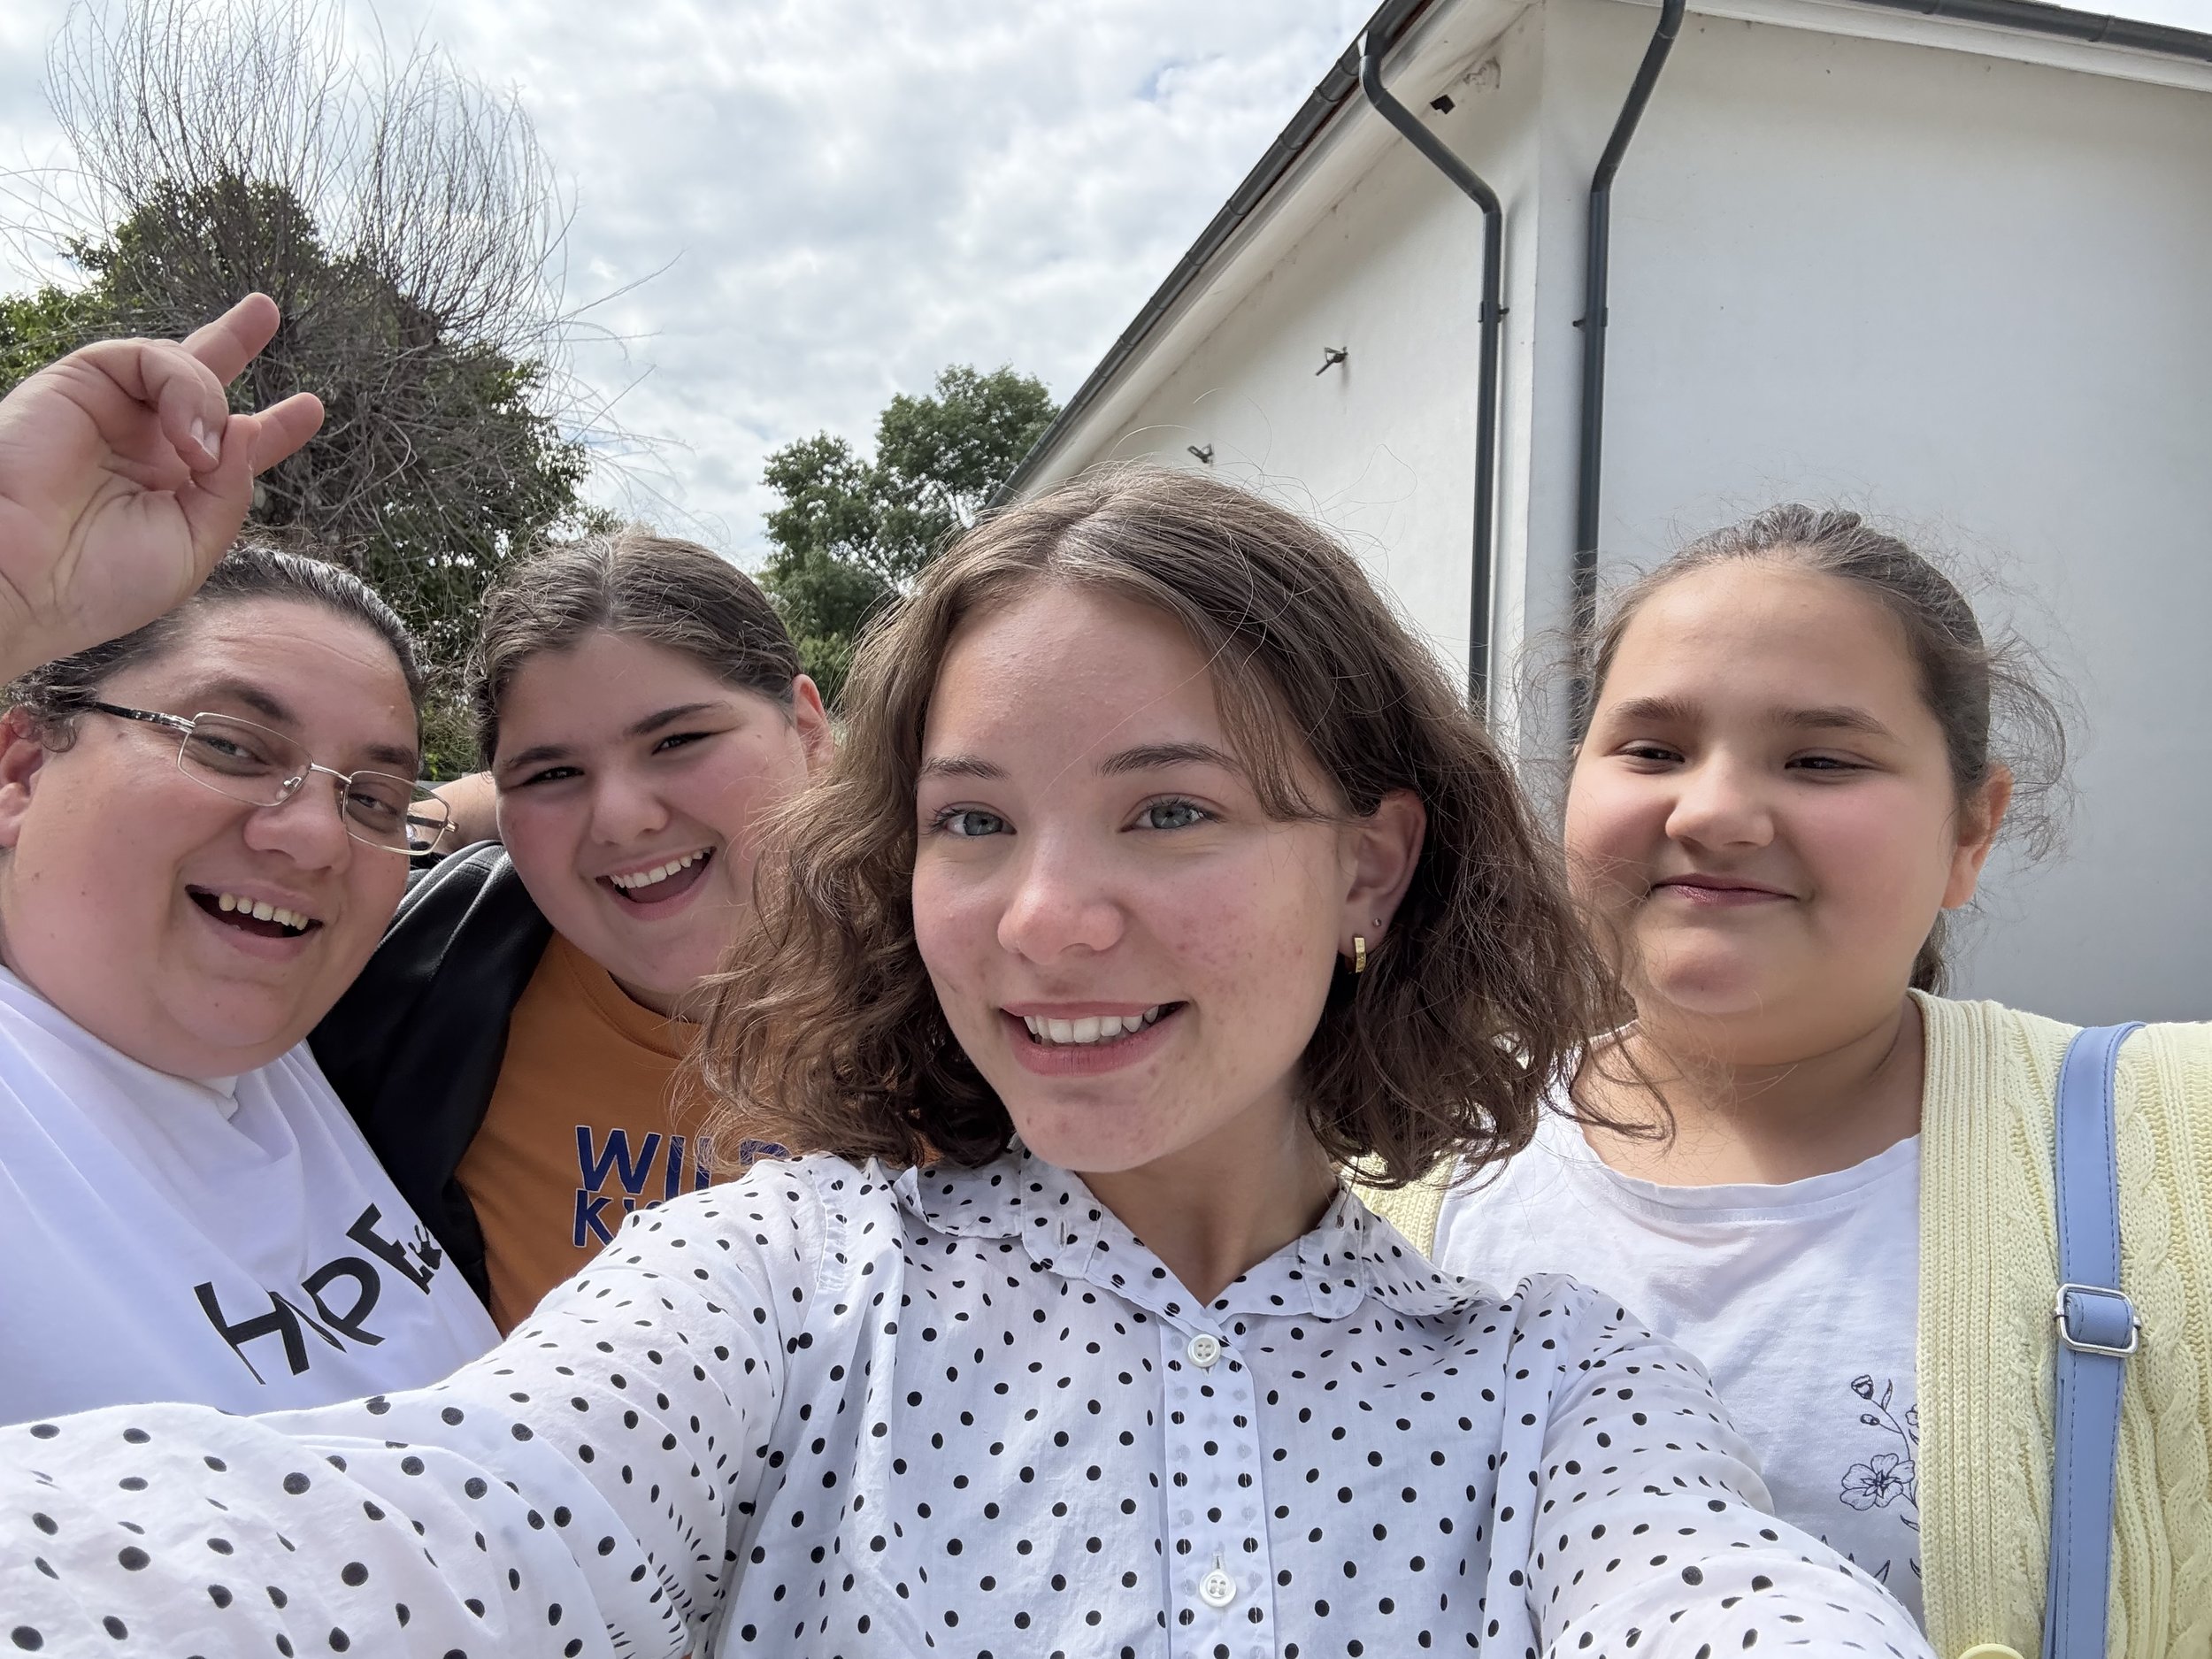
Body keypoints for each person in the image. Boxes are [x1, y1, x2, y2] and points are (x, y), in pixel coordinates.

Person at [0, 470, 1931, 1657]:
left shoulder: (1554, 1392)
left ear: (1369, 857)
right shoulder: (777, 1282)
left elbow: (1718, 1597)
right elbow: (417, 1521)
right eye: (974, 821)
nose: (1042, 920)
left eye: (1167, 814)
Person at [1386, 507, 2212, 1658]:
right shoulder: (1396, 1166)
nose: (1712, 809)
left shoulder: (2174, 1147)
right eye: (1653, 749)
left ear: (1973, 827)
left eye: (1821, 757)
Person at [0, 296, 499, 1421]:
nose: (317, 832)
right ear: (23, 772)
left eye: (368, 794)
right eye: (229, 745)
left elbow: (452, 809)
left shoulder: (294, 1041)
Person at [311, 534, 828, 1332]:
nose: (621, 818)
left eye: (678, 741)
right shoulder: (419, 982)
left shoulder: (972, 994)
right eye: (552, 774)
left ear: (808, 729)